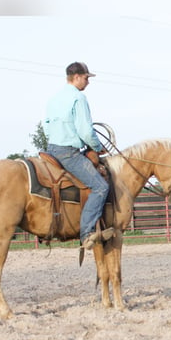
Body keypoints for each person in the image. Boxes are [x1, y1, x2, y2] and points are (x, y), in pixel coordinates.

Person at [44, 62, 113, 250]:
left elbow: (46, 126)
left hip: (52, 150)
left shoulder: (54, 99)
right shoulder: (78, 98)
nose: (88, 82)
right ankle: (87, 233)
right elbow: (85, 130)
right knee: (100, 186)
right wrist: (97, 147)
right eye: (86, 78)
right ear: (76, 77)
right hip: (69, 152)